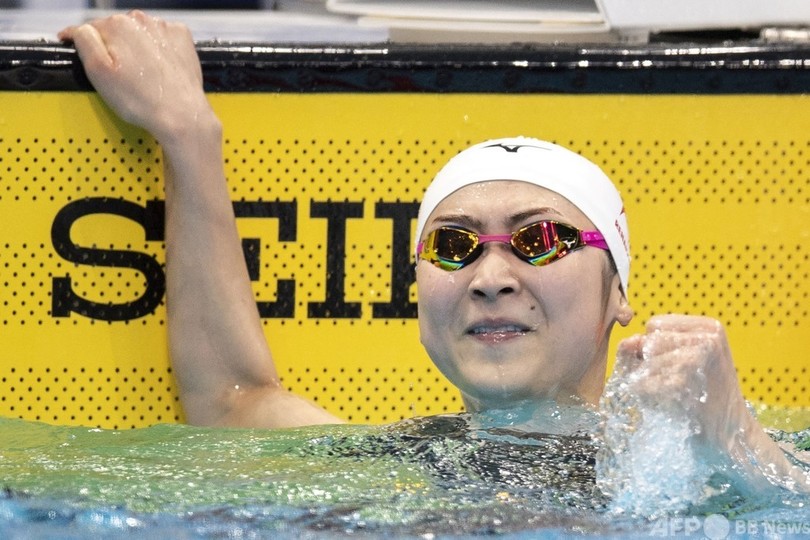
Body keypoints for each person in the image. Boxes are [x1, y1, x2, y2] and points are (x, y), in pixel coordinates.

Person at [58, 11, 808, 495]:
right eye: (453, 246)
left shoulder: (690, 463)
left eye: (540, 240)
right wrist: (189, 135)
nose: (490, 278)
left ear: (619, 293)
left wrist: (732, 434)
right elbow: (231, 400)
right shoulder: (398, 463)